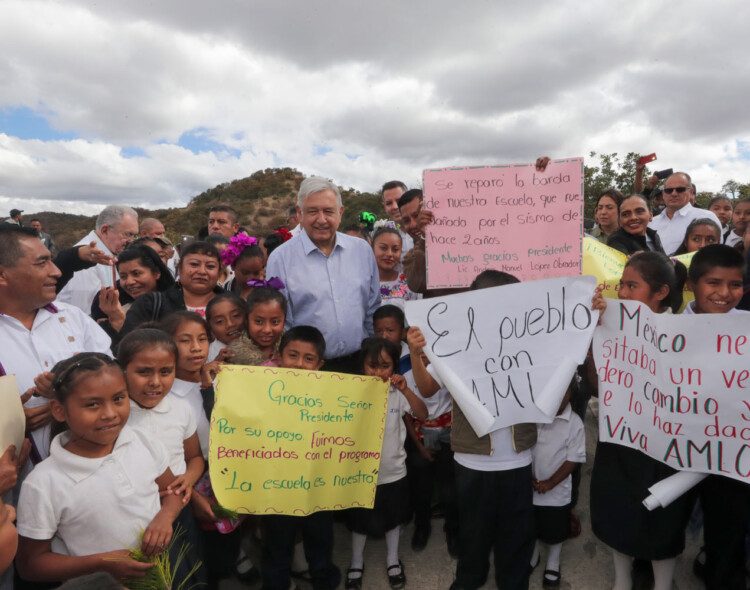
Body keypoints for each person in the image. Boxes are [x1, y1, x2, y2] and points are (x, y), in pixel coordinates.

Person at [408, 269, 538, 590]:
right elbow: (426, 390)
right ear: (474, 303)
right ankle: (469, 579)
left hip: (517, 461)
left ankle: (513, 582)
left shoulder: (533, 339)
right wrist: (414, 353)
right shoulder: (455, 343)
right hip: (472, 462)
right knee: (474, 533)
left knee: (516, 535)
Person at [14, 352, 185, 586]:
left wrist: (165, 518)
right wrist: (103, 562)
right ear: (59, 410)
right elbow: (30, 565)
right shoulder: (44, 483)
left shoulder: (142, 442)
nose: (110, 414)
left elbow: (173, 490)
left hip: (163, 575)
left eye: (118, 398)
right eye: (93, 404)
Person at [590, 252, 690, 590]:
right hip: (621, 440)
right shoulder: (610, 324)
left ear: (661, 292)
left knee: (665, 520)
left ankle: (663, 583)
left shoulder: (687, 334)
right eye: (622, 285)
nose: (623, 293)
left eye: (633, 286)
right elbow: (594, 383)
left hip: (667, 449)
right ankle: (622, 580)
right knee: (620, 510)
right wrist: (595, 329)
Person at [0, 226, 111, 462]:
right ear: (2, 275)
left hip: (92, 472)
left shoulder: (74, 318)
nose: (57, 272)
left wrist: (65, 396)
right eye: (42, 263)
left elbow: (116, 380)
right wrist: (7, 424)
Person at [681, 245, 748, 589]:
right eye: (714, 283)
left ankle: (719, 574)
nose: (725, 294)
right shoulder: (664, 330)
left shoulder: (746, 328)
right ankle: (649, 568)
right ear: (692, 285)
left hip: (734, 457)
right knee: (667, 521)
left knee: (728, 527)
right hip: (675, 450)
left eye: (735, 285)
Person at [118, 328, 206, 585]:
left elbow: (195, 458)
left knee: (193, 571)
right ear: (122, 371)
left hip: (182, 508)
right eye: (143, 371)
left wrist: (188, 479)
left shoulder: (180, 408)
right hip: (141, 514)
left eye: (165, 372)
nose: (155, 381)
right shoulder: (117, 418)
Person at [266, 177, 380, 374]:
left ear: (340, 213)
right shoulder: (280, 258)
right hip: (308, 371)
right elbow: (282, 322)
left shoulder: (362, 250)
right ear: (300, 213)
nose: (321, 219)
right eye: (312, 211)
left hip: (360, 365)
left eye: (328, 211)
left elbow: (372, 307)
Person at [260, 326, 341, 590]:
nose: (299, 364)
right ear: (279, 356)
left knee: (320, 540)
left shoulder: (334, 396)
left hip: (318, 485)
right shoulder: (261, 391)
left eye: (308, 359)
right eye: (292, 355)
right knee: (277, 544)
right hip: (277, 487)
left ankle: (323, 579)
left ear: (319, 365)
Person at [374, 305, 457, 556]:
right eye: (380, 331)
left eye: (391, 330)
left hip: (449, 435)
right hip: (418, 436)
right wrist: (419, 445)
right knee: (420, 486)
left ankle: (454, 531)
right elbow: (408, 414)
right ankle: (422, 526)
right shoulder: (397, 369)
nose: (385, 335)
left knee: (450, 487)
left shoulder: (445, 365)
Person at [345, 337, 427, 590]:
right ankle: (356, 562)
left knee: (393, 519)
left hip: (393, 472)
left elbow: (422, 414)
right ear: (362, 366)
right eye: (372, 365)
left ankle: (393, 560)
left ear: (393, 367)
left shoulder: (396, 393)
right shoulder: (349, 393)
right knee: (359, 522)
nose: (379, 372)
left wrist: (405, 389)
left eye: (385, 365)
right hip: (359, 475)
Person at [529, 382, 586, 590]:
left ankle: (553, 560)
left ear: (572, 393)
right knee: (532, 522)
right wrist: (530, 477)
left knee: (555, 528)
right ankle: (534, 553)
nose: (558, 397)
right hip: (533, 485)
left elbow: (574, 459)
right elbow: (527, 446)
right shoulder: (534, 416)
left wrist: (551, 483)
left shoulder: (574, 423)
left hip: (557, 491)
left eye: (564, 392)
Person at [120, 241, 224, 335]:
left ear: (219, 272)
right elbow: (127, 346)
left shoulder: (232, 304)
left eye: (210, 266)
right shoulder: (150, 304)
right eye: (194, 264)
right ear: (179, 268)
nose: (202, 271)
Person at [57, 205, 139, 312]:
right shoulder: (84, 260)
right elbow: (84, 311)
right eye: (128, 234)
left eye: (134, 236)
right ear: (105, 230)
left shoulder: (111, 252)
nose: (131, 241)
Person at [91, 245, 175, 346]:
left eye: (136, 273)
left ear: (156, 272)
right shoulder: (113, 306)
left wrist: (120, 321)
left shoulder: (176, 304)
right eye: (123, 276)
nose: (130, 282)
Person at [648, 172, 721, 255]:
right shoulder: (651, 223)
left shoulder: (706, 217)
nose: (674, 193)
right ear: (663, 194)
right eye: (669, 190)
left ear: (691, 192)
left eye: (680, 189)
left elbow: (717, 253)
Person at [229, 286, 286, 366]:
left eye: (275, 322)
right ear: (246, 321)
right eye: (259, 321)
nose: (267, 330)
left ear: (284, 321)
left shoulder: (291, 352)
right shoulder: (233, 355)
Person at [372, 228, 420, 310]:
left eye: (395, 249)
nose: (389, 254)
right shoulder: (365, 283)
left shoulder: (410, 283)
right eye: (383, 248)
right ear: (372, 249)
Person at [220, 233, 265, 298]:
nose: (250, 278)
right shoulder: (222, 293)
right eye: (245, 272)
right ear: (233, 266)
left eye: (256, 273)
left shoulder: (266, 295)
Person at [205, 292, 247, 362]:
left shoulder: (262, 344)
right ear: (211, 330)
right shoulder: (206, 355)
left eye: (236, 316)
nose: (230, 324)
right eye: (219, 321)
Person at [381, 181, 414, 256]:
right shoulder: (381, 234)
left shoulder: (425, 229)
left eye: (399, 201)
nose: (395, 207)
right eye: (389, 203)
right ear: (384, 206)